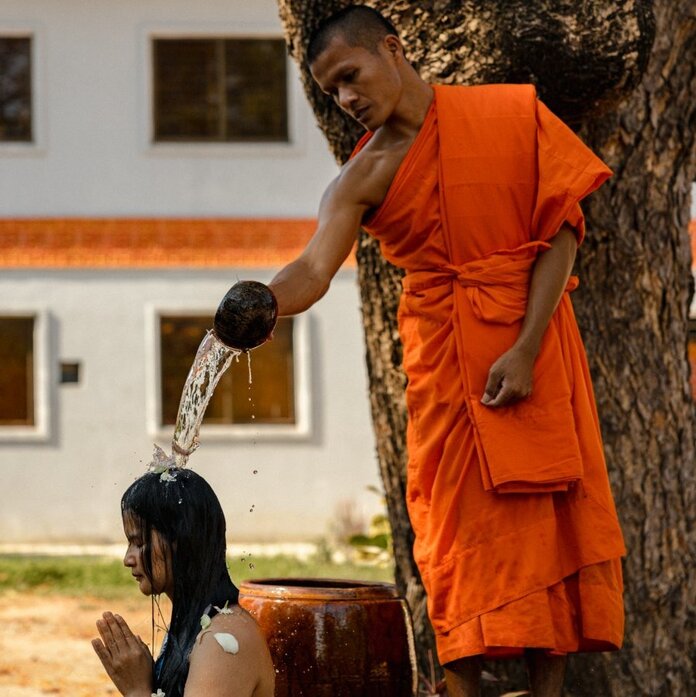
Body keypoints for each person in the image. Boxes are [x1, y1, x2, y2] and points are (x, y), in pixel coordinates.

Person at [262, 5, 626, 697]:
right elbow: (311, 270)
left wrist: (523, 348)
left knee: (547, 518)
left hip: (534, 345)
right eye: (331, 89)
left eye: (350, 75)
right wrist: (259, 302)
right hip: (444, 363)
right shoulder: (360, 176)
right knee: (451, 532)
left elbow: (561, 230)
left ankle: (547, 690)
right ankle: (457, 687)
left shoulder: (509, 116)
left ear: (391, 49)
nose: (345, 99)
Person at [91, 468, 275, 697]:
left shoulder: (221, 641)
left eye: (139, 542)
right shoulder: (196, 624)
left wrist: (137, 689)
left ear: (180, 541)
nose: (128, 559)